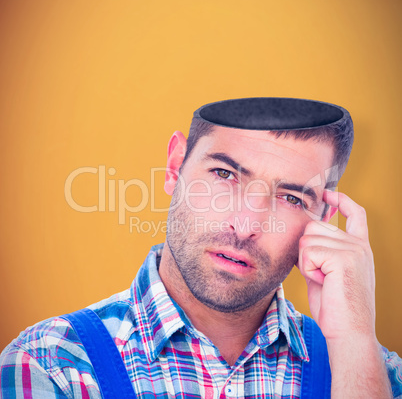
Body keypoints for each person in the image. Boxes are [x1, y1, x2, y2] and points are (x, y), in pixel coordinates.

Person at [1, 97, 401, 398]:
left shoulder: (379, 375)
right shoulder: (51, 364)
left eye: (292, 198)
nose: (245, 227)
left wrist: (353, 339)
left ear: (323, 223)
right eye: (224, 174)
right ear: (175, 167)